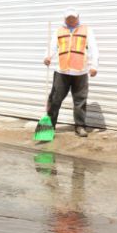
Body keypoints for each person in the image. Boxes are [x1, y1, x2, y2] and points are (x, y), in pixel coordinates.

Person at [43, 8, 99, 137]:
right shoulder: (59, 30)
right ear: (65, 19)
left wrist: (94, 65)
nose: (71, 20)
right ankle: (49, 127)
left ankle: (80, 126)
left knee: (80, 100)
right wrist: (47, 56)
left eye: (73, 17)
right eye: (69, 18)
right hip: (61, 70)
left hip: (80, 71)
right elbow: (52, 47)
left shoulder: (87, 30)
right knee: (55, 99)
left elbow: (93, 48)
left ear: (78, 17)